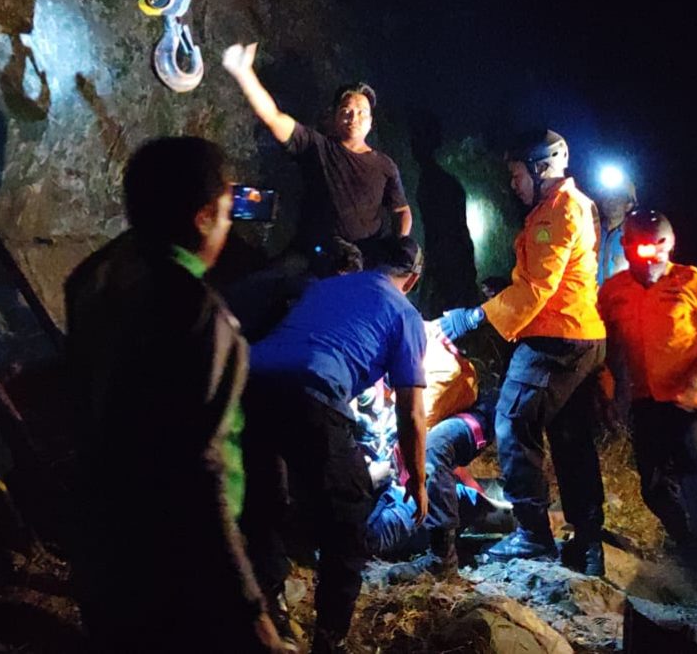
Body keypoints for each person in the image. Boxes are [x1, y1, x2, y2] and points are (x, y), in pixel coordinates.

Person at [63, 136, 282, 652]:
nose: (229, 227)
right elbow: (200, 472)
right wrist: (250, 609)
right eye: (225, 213)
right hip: (180, 568)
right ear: (204, 218)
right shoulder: (199, 315)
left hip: (104, 544)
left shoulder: (96, 282)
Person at [240, 236, 429, 654]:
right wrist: (417, 479)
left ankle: (270, 610)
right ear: (413, 279)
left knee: (264, 501)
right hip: (312, 389)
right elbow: (412, 412)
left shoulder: (327, 285)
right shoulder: (405, 314)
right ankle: (331, 639)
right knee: (348, 517)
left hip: (250, 382)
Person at [435, 129, 609, 575]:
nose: (513, 184)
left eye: (517, 175)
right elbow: (547, 277)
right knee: (570, 437)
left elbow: (537, 288)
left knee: (512, 421)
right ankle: (588, 541)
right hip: (579, 334)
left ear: (541, 168)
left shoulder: (558, 211)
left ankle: (532, 533)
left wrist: (472, 317)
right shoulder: (565, 206)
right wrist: (501, 292)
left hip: (557, 338)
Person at [597, 208, 697, 629]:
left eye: (660, 248)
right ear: (625, 247)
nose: (652, 258)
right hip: (646, 403)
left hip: (692, 405)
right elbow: (603, 340)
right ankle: (690, 547)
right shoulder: (614, 291)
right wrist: (607, 384)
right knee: (653, 488)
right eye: (642, 250)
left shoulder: (691, 281)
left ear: (672, 244)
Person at [221, 43, 411, 269]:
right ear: (335, 117)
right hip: (312, 257)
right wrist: (244, 73)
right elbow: (273, 117)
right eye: (346, 111)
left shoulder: (385, 166)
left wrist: (399, 247)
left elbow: (401, 210)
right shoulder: (315, 146)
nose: (354, 118)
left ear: (370, 122)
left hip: (364, 266)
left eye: (362, 113)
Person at [360, 324, 510, 580]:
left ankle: (445, 555)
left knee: (433, 448)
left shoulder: (415, 350)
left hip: (463, 418)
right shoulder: (361, 376)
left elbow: (420, 425)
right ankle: (485, 505)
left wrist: (380, 470)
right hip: (391, 488)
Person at [595, 179, 636, 285]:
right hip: (591, 294)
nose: (611, 201)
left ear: (628, 205)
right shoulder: (591, 232)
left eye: (617, 197)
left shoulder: (636, 236)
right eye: (607, 196)